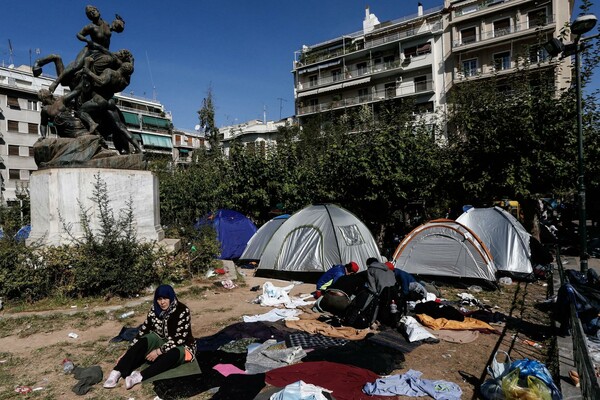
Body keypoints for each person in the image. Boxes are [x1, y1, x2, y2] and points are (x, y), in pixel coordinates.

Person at [103, 284, 196, 390]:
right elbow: (144, 330)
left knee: (173, 354)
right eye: (159, 299)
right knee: (146, 339)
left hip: (181, 345)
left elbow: (180, 338)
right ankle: (117, 372)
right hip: (161, 340)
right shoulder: (154, 310)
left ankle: (139, 376)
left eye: (165, 298)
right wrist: (130, 351)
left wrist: (158, 351)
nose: (162, 302)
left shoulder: (182, 311)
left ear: (171, 297)